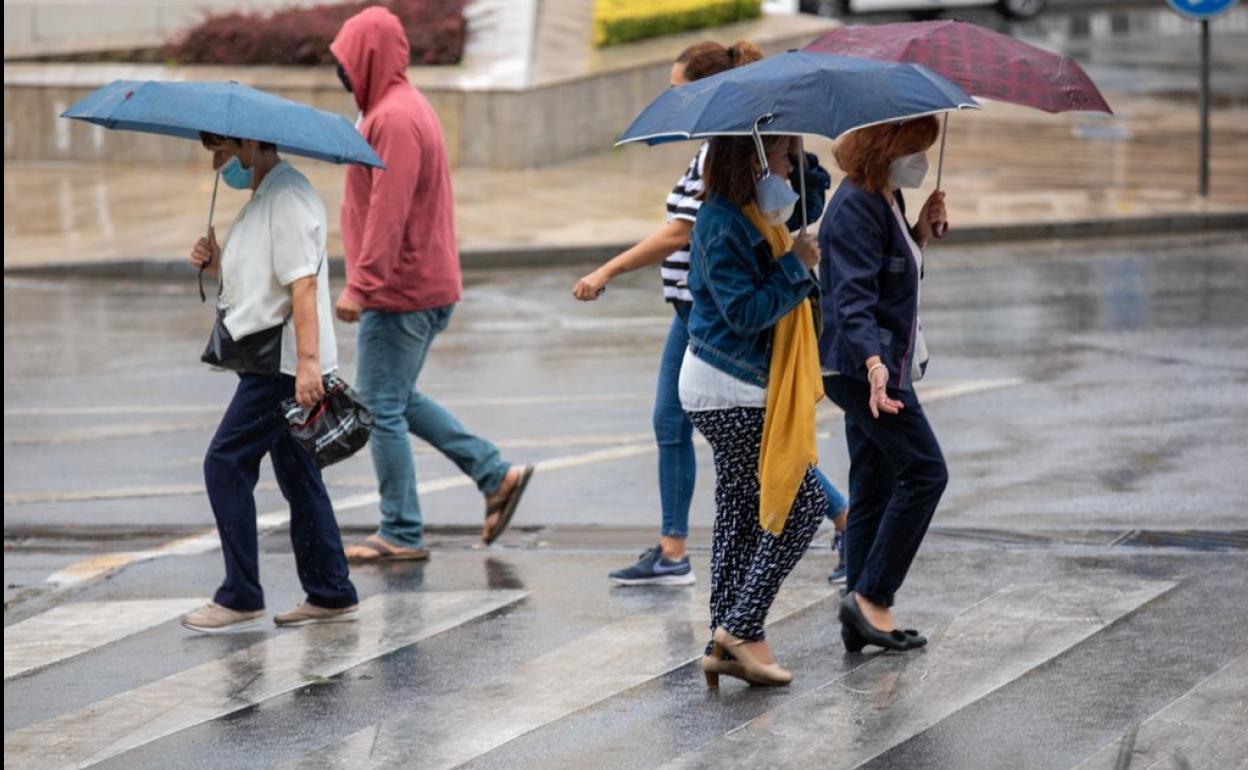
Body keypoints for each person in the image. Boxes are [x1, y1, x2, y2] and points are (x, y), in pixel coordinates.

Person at [573, 40, 849, 587]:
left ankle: (839, 523)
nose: (676, 99)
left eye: (681, 88)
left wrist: (607, 270)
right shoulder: (727, 149)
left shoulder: (730, 151)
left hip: (711, 320)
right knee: (733, 448)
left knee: (758, 447)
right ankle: (681, 553)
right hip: (705, 313)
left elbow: (688, 232)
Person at [330, 7, 533, 562]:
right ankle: (494, 474)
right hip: (422, 281)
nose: (342, 75)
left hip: (401, 289)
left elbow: (388, 213)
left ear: (367, 60)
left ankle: (400, 530)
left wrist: (362, 285)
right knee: (396, 397)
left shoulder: (392, 119)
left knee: (377, 406)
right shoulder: (399, 108)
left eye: (347, 62)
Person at [182, 132, 359, 633]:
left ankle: (240, 594)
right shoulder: (267, 195)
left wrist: (307, 365)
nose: (218, 164)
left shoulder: (287, 197)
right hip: (277, 360)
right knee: (298, 473)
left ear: (250, 144)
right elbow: (267, 278)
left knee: (224, 462)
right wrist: (215, 262)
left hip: (281, 366)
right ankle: (331, 591)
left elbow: (302, 284)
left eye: (222, 151)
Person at [682, 132, 827, 687]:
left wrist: (794, 148)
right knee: (801, 504)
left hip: (735, 386)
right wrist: (796, 266)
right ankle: (741, 628)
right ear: (754, 161)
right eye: (784, 158)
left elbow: (812, 190)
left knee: (741, 510)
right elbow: (743, 313)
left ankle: (721, 637)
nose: (791, 170)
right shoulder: (721, 223)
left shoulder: (758, 212)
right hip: (729, 387)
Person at [817, 116, 950, 653]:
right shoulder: (854, 208)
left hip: (874, 366)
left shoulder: (885, 197)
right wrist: (874, 369)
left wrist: (920, 230)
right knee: (924, 472)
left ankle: (859, 608)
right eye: (915, 148)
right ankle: (873, 595)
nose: (920, 160)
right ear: (887, 146)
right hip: (863, 371)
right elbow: (853, 301)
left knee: (872, 482)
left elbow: (891, 272)